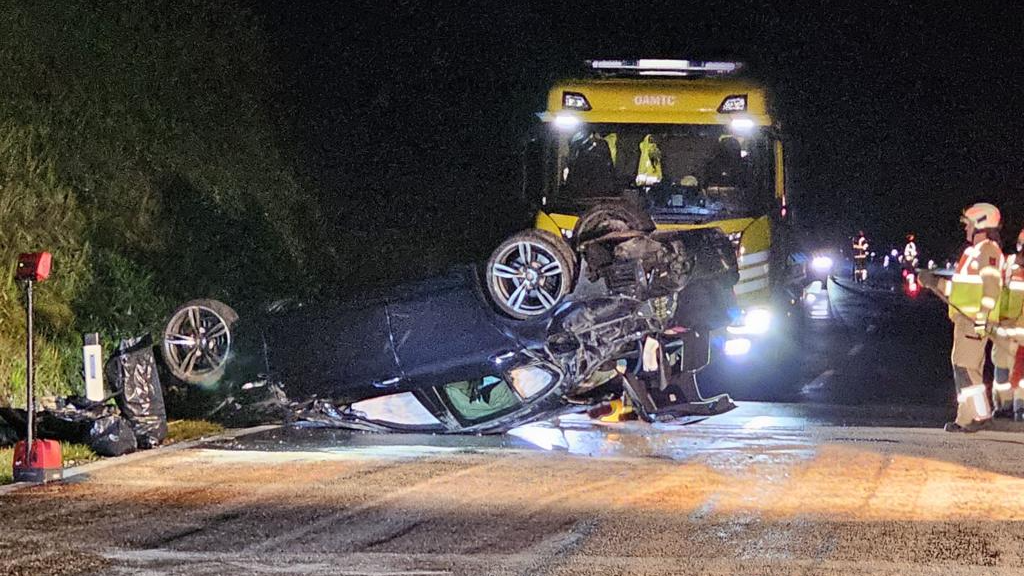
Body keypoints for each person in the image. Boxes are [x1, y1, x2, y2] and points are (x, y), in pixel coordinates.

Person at [919, 202, 1004, 432]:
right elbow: (961, 291)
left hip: (974, 321)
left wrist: (982, 317)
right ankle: (966, 418)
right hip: (965, 319)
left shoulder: (988, 251)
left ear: (981, 225)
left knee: (966, 368)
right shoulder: (973, 253)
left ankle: (977, 416)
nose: (965, 229)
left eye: (968, 224)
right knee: (963, 367)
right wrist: (934, 283)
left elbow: (992, 288)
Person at [995, 228, 1024, 420]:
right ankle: (1003, 406)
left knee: (1021, 373)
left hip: (1020, 332)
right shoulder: (1009, 263)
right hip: (1004, 329)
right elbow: (999, 290)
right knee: (1001, 368)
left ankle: (1020, 407)